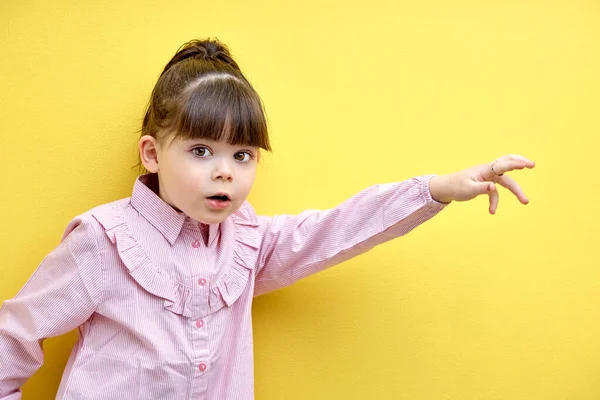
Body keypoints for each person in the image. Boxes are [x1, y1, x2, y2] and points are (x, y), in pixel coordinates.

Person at [0, 38, 535, 400]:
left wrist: (436, 189)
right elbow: (15, 335)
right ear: (151, 153)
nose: (225, 173)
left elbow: (337, 230)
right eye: (201, 151)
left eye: (243, 155)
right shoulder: (104, 239)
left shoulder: (247, 243)